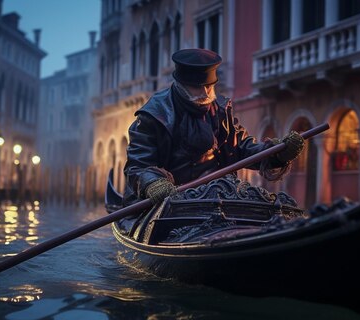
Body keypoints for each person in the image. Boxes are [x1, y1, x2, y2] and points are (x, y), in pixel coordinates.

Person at [123, 48, 304, 207]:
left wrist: (276, 153)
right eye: (198, 88)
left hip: (216, 195)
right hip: (169, 200)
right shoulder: (153, 115)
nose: (205, 94)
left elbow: (241, 148)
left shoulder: (220, 110)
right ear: (182, 84)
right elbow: (137, 166)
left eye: (209, 87)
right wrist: (154, 183)